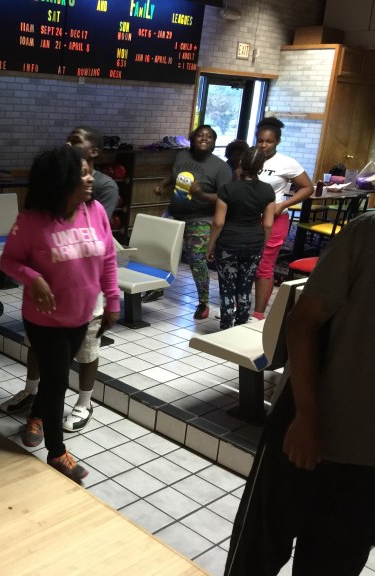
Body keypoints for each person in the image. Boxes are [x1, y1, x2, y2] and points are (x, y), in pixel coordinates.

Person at [224, 211, 375, 576]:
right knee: (256, 552)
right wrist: (306, 417)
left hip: (367, 463)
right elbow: (303, 321)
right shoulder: (367, 233)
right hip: (307, 428)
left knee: (334, 563)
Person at [0, 145, 120, 482]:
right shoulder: (32, 219)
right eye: (82, 174)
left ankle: (37, 416)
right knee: (57, 381)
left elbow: (108, 257)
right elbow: (9, 260)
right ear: (60, 181)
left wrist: (113, 300)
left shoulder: (95, 210)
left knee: (56, 377)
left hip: (81, 315)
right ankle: (57, 451)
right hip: (45, 319)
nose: (90, 179)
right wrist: (33, 278)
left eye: (89, 172)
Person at [154, 125, 232, 320]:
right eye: (200, 135)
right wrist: (163, 184)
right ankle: (155, 289)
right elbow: (174, 175)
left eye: (209, 136)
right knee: (160, 253)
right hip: (174, 213)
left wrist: (202, 195)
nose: (204, 138)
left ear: (214, 142)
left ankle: (203, 303)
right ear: (192, 139)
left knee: (196, 260)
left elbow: (226, 197)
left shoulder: (221, 167)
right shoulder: (182, 156)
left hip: (201, 218)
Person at [206, 147, 275, 330]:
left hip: (228, 243)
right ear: (261, 166)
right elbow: (268, 224)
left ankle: (225, 327)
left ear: (241, 163)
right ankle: (241, 326)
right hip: (254, 242)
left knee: (227, 287)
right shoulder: (267, 190)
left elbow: (218, 222)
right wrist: (261, 244)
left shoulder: (228, 189)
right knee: (245, 286)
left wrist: (210, 246)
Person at [251, 117, 313, 321]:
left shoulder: (287, 163)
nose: (263, 145)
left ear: (277, 141)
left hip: (275, 220)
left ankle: (258, 314)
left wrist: (284, 204)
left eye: (269, 141)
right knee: (245, 264)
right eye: (260, 140)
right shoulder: (250, 158)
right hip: (248, 219)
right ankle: (237, 306)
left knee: (264, 266)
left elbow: (307, 188)